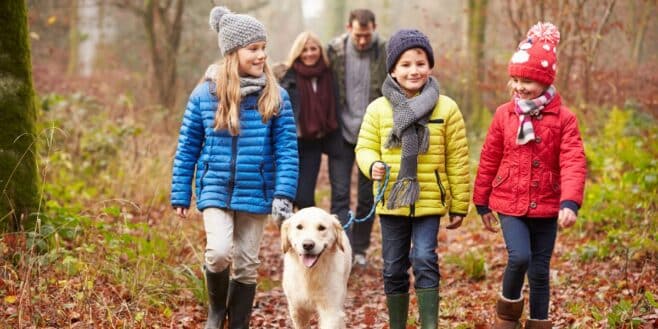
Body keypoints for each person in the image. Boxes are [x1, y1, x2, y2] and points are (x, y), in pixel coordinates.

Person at [170, 6, 298, 329]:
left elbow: (286, 149)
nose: (261, 56)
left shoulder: (276, 96)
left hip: (256, 190)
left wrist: (283, 193)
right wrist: (181, 191)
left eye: (263, 49)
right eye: (253, 49)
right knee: (218, 252)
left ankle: (239, 322)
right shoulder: (205, 95)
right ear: (232, 53)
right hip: (214, 187)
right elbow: (187, 146)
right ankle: (216, 311)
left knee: (246, 263)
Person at [473, 22, 586, 329]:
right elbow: (490, 157)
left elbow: (573, 160)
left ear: (545, 82)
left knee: (539, 270)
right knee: (519, 257)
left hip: (547, 204)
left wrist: (570, 202)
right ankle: (506, 316)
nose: (520, 87)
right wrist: (481, 202)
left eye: (527, 81)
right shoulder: (504, 114)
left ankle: (538, 322)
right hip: (509, 202)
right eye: (516, 80)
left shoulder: (565, 119)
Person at [355, 29, 471, 329]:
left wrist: (459, 204)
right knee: (393, 267)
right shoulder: (378, 109)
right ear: (392, 69)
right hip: (392, 199)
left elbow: (457, 158)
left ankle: (429, 323)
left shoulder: (446, 108)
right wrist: (373, 165)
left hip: (429, 199)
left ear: (429, 65)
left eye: (420, 63)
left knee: (424, 258)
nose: (413, 70)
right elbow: (364, 147)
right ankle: (397, 323)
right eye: (405, 64)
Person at [326, 8, 387, 267]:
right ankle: (341, 247)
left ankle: (359, 249)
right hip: (341, 132)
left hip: (371, 135)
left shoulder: (384, 51)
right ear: (349, 28)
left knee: (366, 196)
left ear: (374, 28)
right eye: (358, 35)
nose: (362, 40)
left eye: (367, 35)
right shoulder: (335, 51)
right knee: (340, 194)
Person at [279, 32, 337, 212]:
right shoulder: (288, 76)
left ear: (320, 50)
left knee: (305, 195)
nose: (309, 53)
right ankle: (289, 232)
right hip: (291, 142)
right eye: (304, 50)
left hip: (314, 143)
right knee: (289, 193)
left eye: (313, 49)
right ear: (298, 52)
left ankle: (307, 231)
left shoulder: (328, 75)